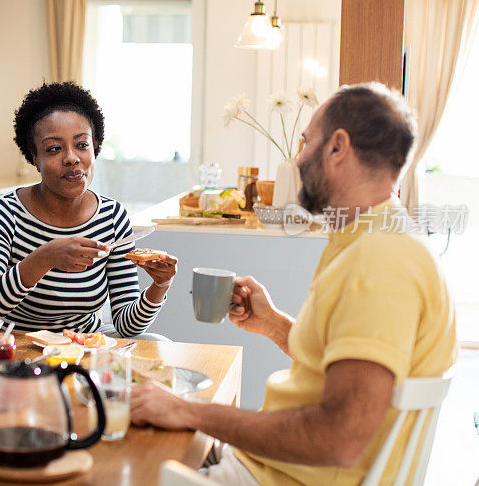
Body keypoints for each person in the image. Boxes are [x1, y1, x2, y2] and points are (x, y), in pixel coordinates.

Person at [130, 83, 456, 485]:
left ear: (337, 148)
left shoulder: (381, 261)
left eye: (305, 143)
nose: (298, 159)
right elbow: (336, 365)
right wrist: (272, 325)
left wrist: (190, 410)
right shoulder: (365, 240)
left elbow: (341, 438)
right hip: (272, 466)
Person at [0, 82, 178, 337]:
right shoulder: (5, 212)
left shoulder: (112, 217)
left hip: (82, 350)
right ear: (34, 158)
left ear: (95, 148)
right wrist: (43, 258)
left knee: (159, 343)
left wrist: (160, 285)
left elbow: (126, 325)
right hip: (13, 351)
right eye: (54, 148)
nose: (71, 158)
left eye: (82, 145)